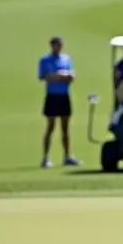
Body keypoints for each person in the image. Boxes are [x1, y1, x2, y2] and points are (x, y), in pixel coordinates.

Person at [38, 37, 79, 168]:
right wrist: (59, 76)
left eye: (60, 45)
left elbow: (72, 76)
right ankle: (45, 158)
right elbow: (44, 77)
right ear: (51, 46)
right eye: (56, 45)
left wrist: (64, 76)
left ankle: (67, 156)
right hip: (52, 96)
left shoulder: (66, 59)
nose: (58, 48)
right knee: (50, 127)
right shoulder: (45, 60)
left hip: (64, 95)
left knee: (65, 128)